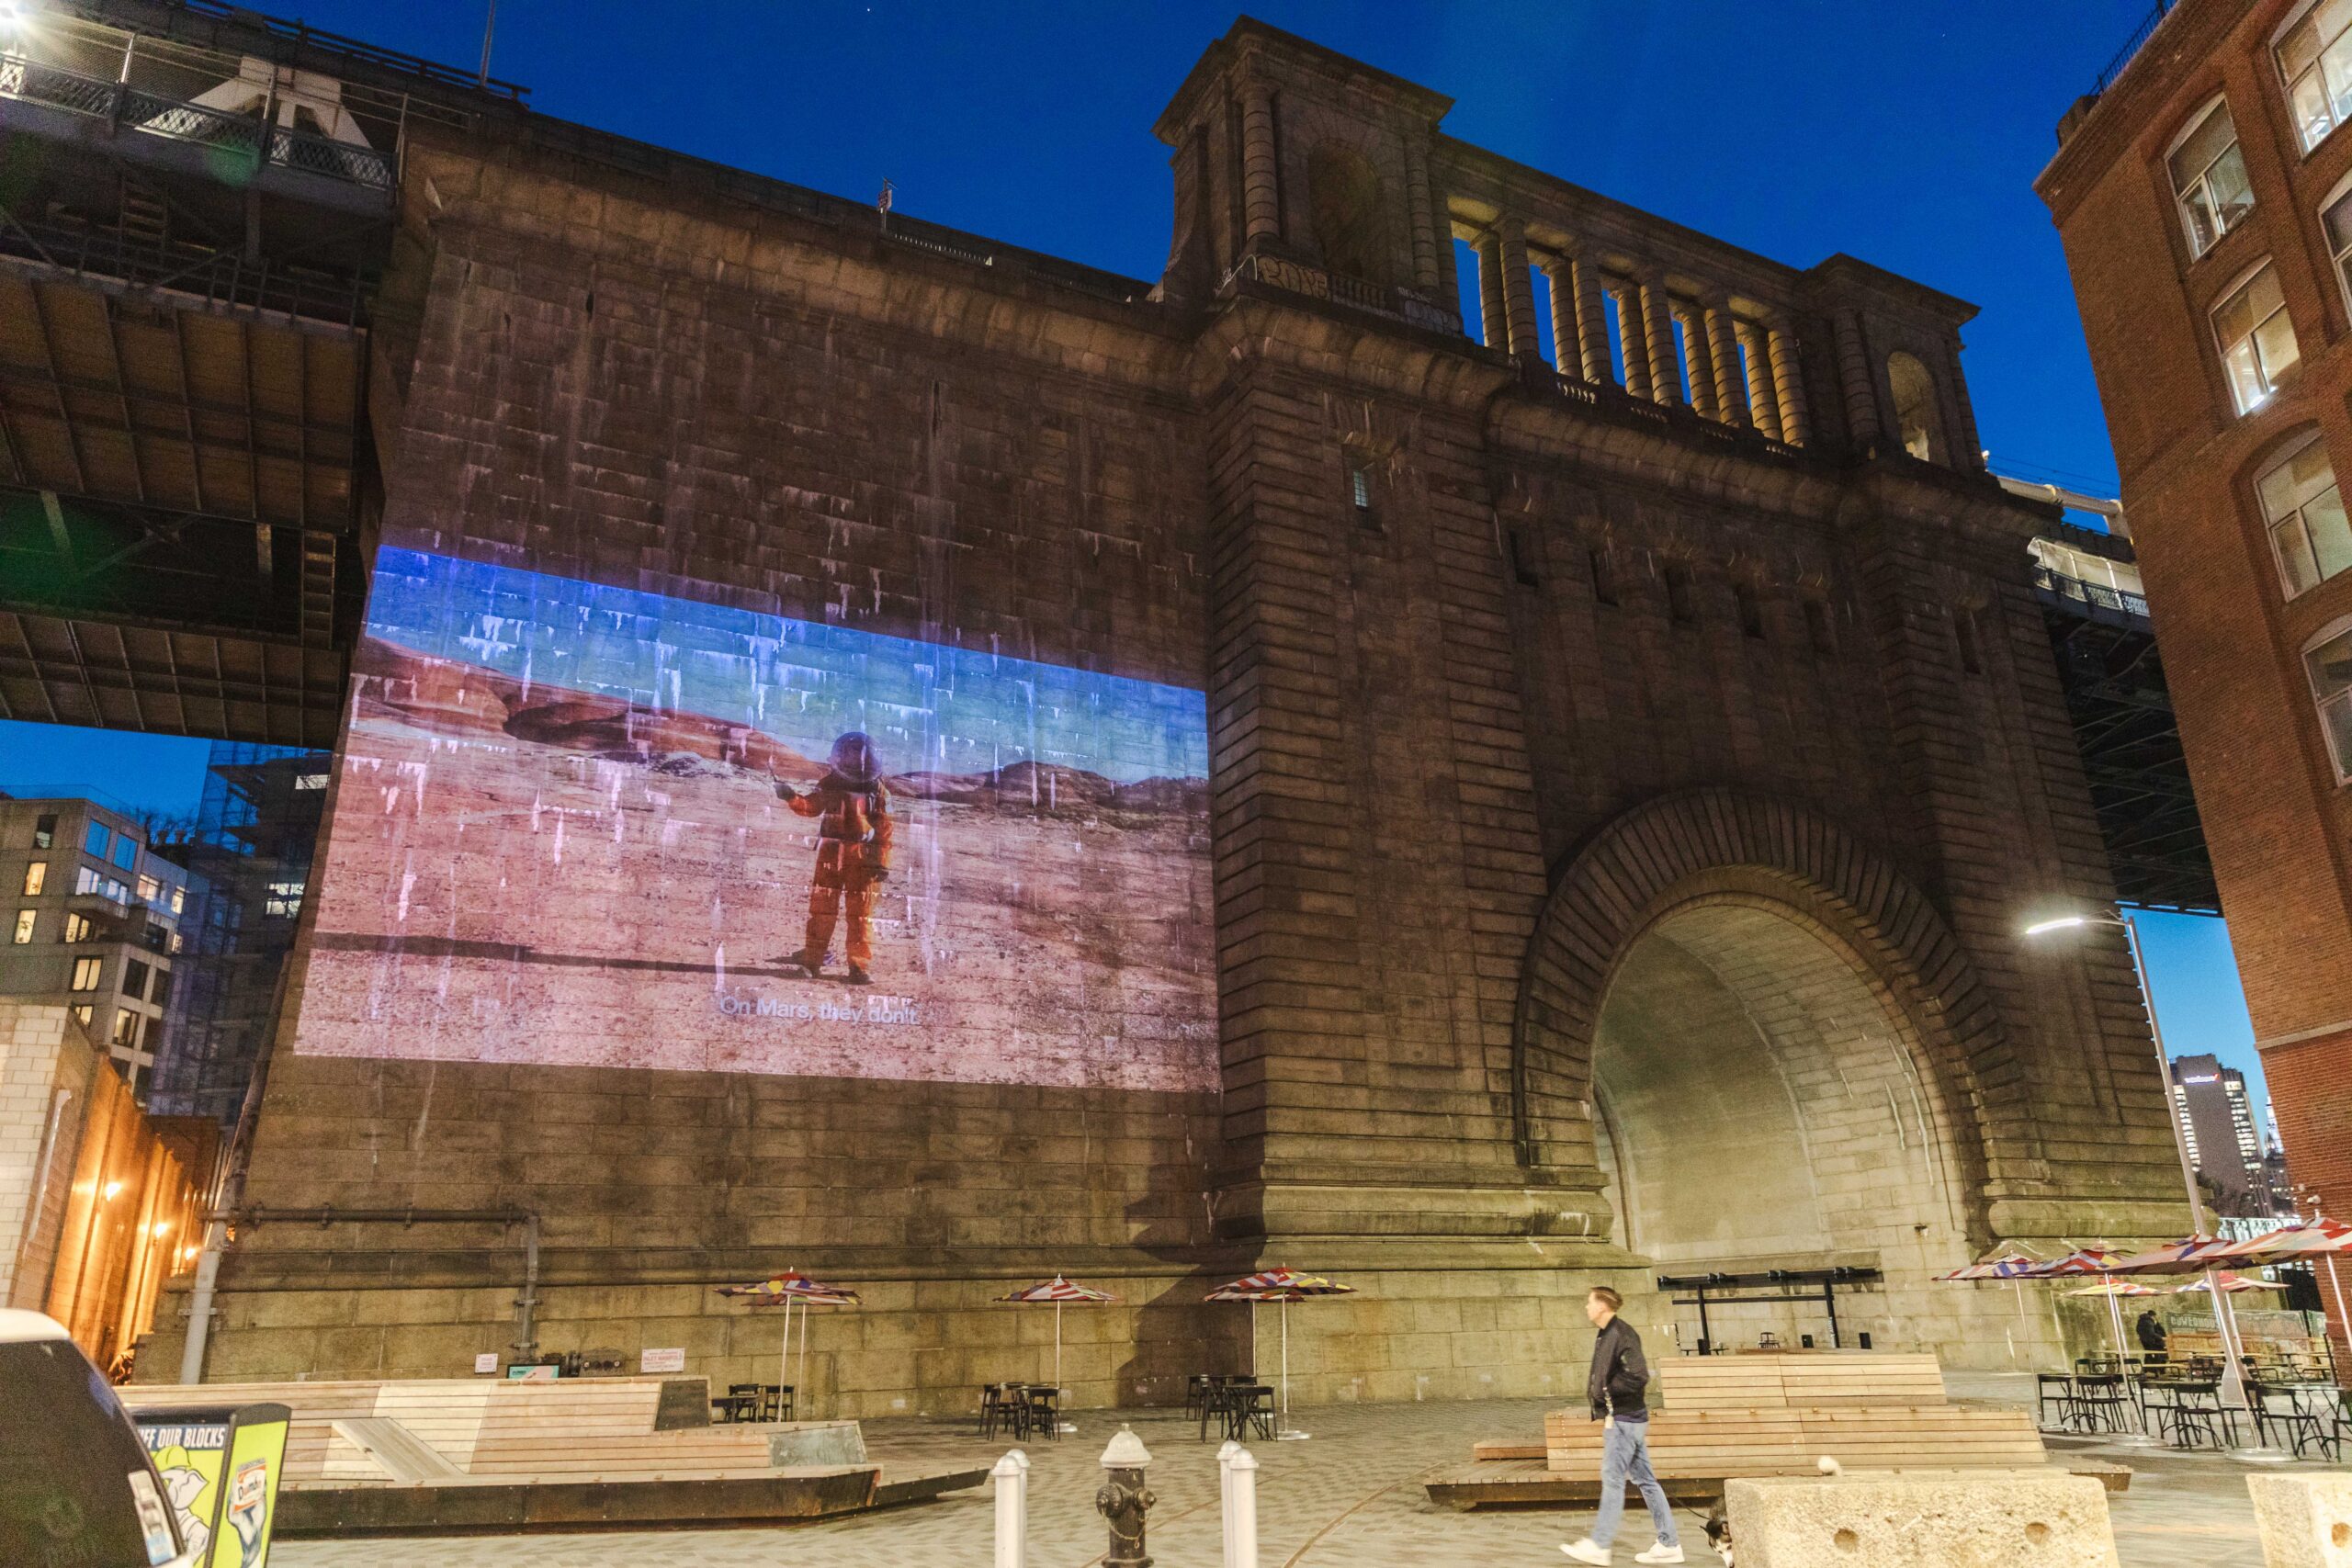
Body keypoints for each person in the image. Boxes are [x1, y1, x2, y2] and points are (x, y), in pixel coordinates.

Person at [1561, 1286, 1681, 1566]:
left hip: (1624, 1421)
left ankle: (1600, 1545)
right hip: (1628, 1419)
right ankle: (1670, 1544)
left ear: (1602, 1305)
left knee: (1613, 1479)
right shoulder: (1608, 1333)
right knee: (1646, 1481)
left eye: (1590, 1302)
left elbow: (1639, 1375)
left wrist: (1607, 1392)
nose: (1586, 1307)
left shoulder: (1620, 1333)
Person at [775, 731, 894, 985]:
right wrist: (791, 797)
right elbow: (811, 807)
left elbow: (884, 830)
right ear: (842, 756)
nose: (855, 760)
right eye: (851, 755)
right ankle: (812, 963)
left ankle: (858, 967)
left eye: (860, 756)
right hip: (830, 854)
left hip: (863, 859)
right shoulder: (830, 784)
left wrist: (882, 862)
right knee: (822, 911)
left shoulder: (877, 790)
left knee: (860, 916)